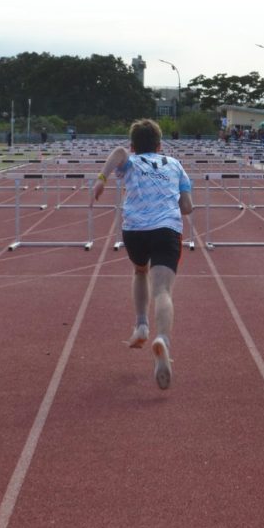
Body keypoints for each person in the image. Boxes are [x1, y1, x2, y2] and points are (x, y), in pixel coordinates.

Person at [94, 119, 193, 390]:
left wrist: (102, 179)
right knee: (162, 291)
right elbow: (187, 206)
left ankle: (141, 324)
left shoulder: (130, 161)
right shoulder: (175, 165)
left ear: (133, 145)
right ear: (160, 146)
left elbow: (117, 154)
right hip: (165, 229)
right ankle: (162, 338)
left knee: (140, 271)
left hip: (135, 230)